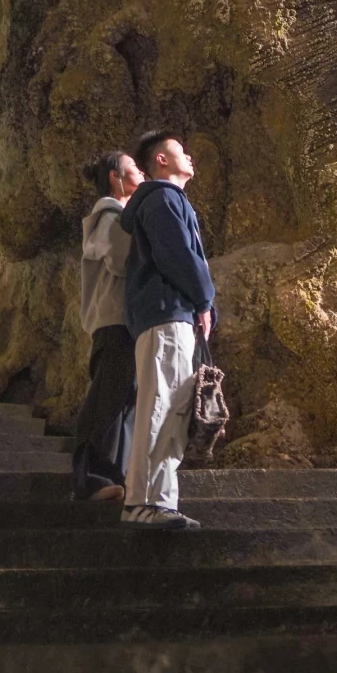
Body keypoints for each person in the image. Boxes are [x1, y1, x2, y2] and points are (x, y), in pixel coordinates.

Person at [120, 130, 215, 530]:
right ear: (160, 160)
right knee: (161, 407)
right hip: (166, 313)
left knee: (169, 406)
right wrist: (203, 298)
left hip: (167, 313)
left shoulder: (166, 200)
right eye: (181, 151)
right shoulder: (162, 199)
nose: (189, 156)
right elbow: (176, 253)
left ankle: (156, 500)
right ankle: (145, 503)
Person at [72, 150, 144, 502]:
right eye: (134, 168)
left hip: (122, 319)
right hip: (114, 320)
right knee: (109, 397)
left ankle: (113, 476)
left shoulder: (115, 214)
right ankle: (93, 478)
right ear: (116, 177)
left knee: (123, 397)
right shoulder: (109, 213)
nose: (142, 173)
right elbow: (118, 258)